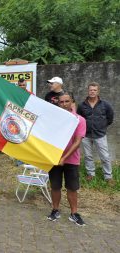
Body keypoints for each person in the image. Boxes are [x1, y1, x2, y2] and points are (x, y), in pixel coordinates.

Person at [47, 91, 86, 226]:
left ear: (72, 102)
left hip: (71, 159)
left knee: (72, 188)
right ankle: (55, 210)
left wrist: (64, 157)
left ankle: (74, 213)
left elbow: (77, 142)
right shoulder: (53, 120)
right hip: (54, 159)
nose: (64, 104)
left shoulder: (79, 120)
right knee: (55, 186)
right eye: (61, 102)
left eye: (66, 101)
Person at [77, 82, 114, 185]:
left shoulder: (105, 105)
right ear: (88, 91)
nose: (92, 92)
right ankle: (90, 174)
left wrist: (102, 126)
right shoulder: (82, 105)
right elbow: (79, 118)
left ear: (98, 91)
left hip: (100, 135)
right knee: (88, 156)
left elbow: (110, 117)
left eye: (94, 90)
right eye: (90, 90)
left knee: (105, 156)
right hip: (86, 135)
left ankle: (108, 176)